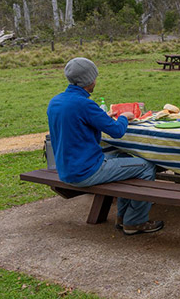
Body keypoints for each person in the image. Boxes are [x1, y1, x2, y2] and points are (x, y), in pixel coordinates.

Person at [47, 57, 163, 236]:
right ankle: (135, 222)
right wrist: (124, 117)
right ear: (89, 80)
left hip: (66, 169)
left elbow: (77, 123)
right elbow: (117, 131)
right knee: (147, 167)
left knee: (123, 159)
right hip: (85, 171)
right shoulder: (84, 104)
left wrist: (102, 117)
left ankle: (122, 217)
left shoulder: (56, 101)